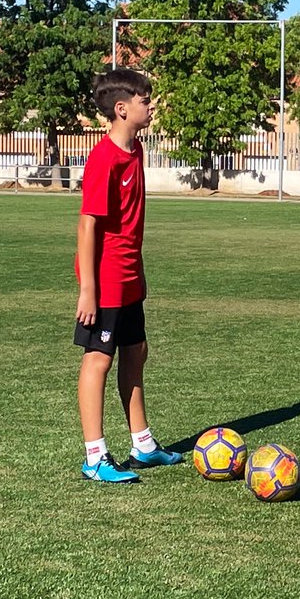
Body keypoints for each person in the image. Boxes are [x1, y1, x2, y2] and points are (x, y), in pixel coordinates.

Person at [73, 68, 181, 483]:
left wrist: (138, 273)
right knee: (99, 359)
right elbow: (88, 225)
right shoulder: (104, 159)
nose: (150, 106)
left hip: (129, 274)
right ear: (122, 109)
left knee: (136, 353)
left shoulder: (134, 151)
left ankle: (143, 444)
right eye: (144, 100)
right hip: (105, 278)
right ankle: (95, 457)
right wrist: (88, 288)